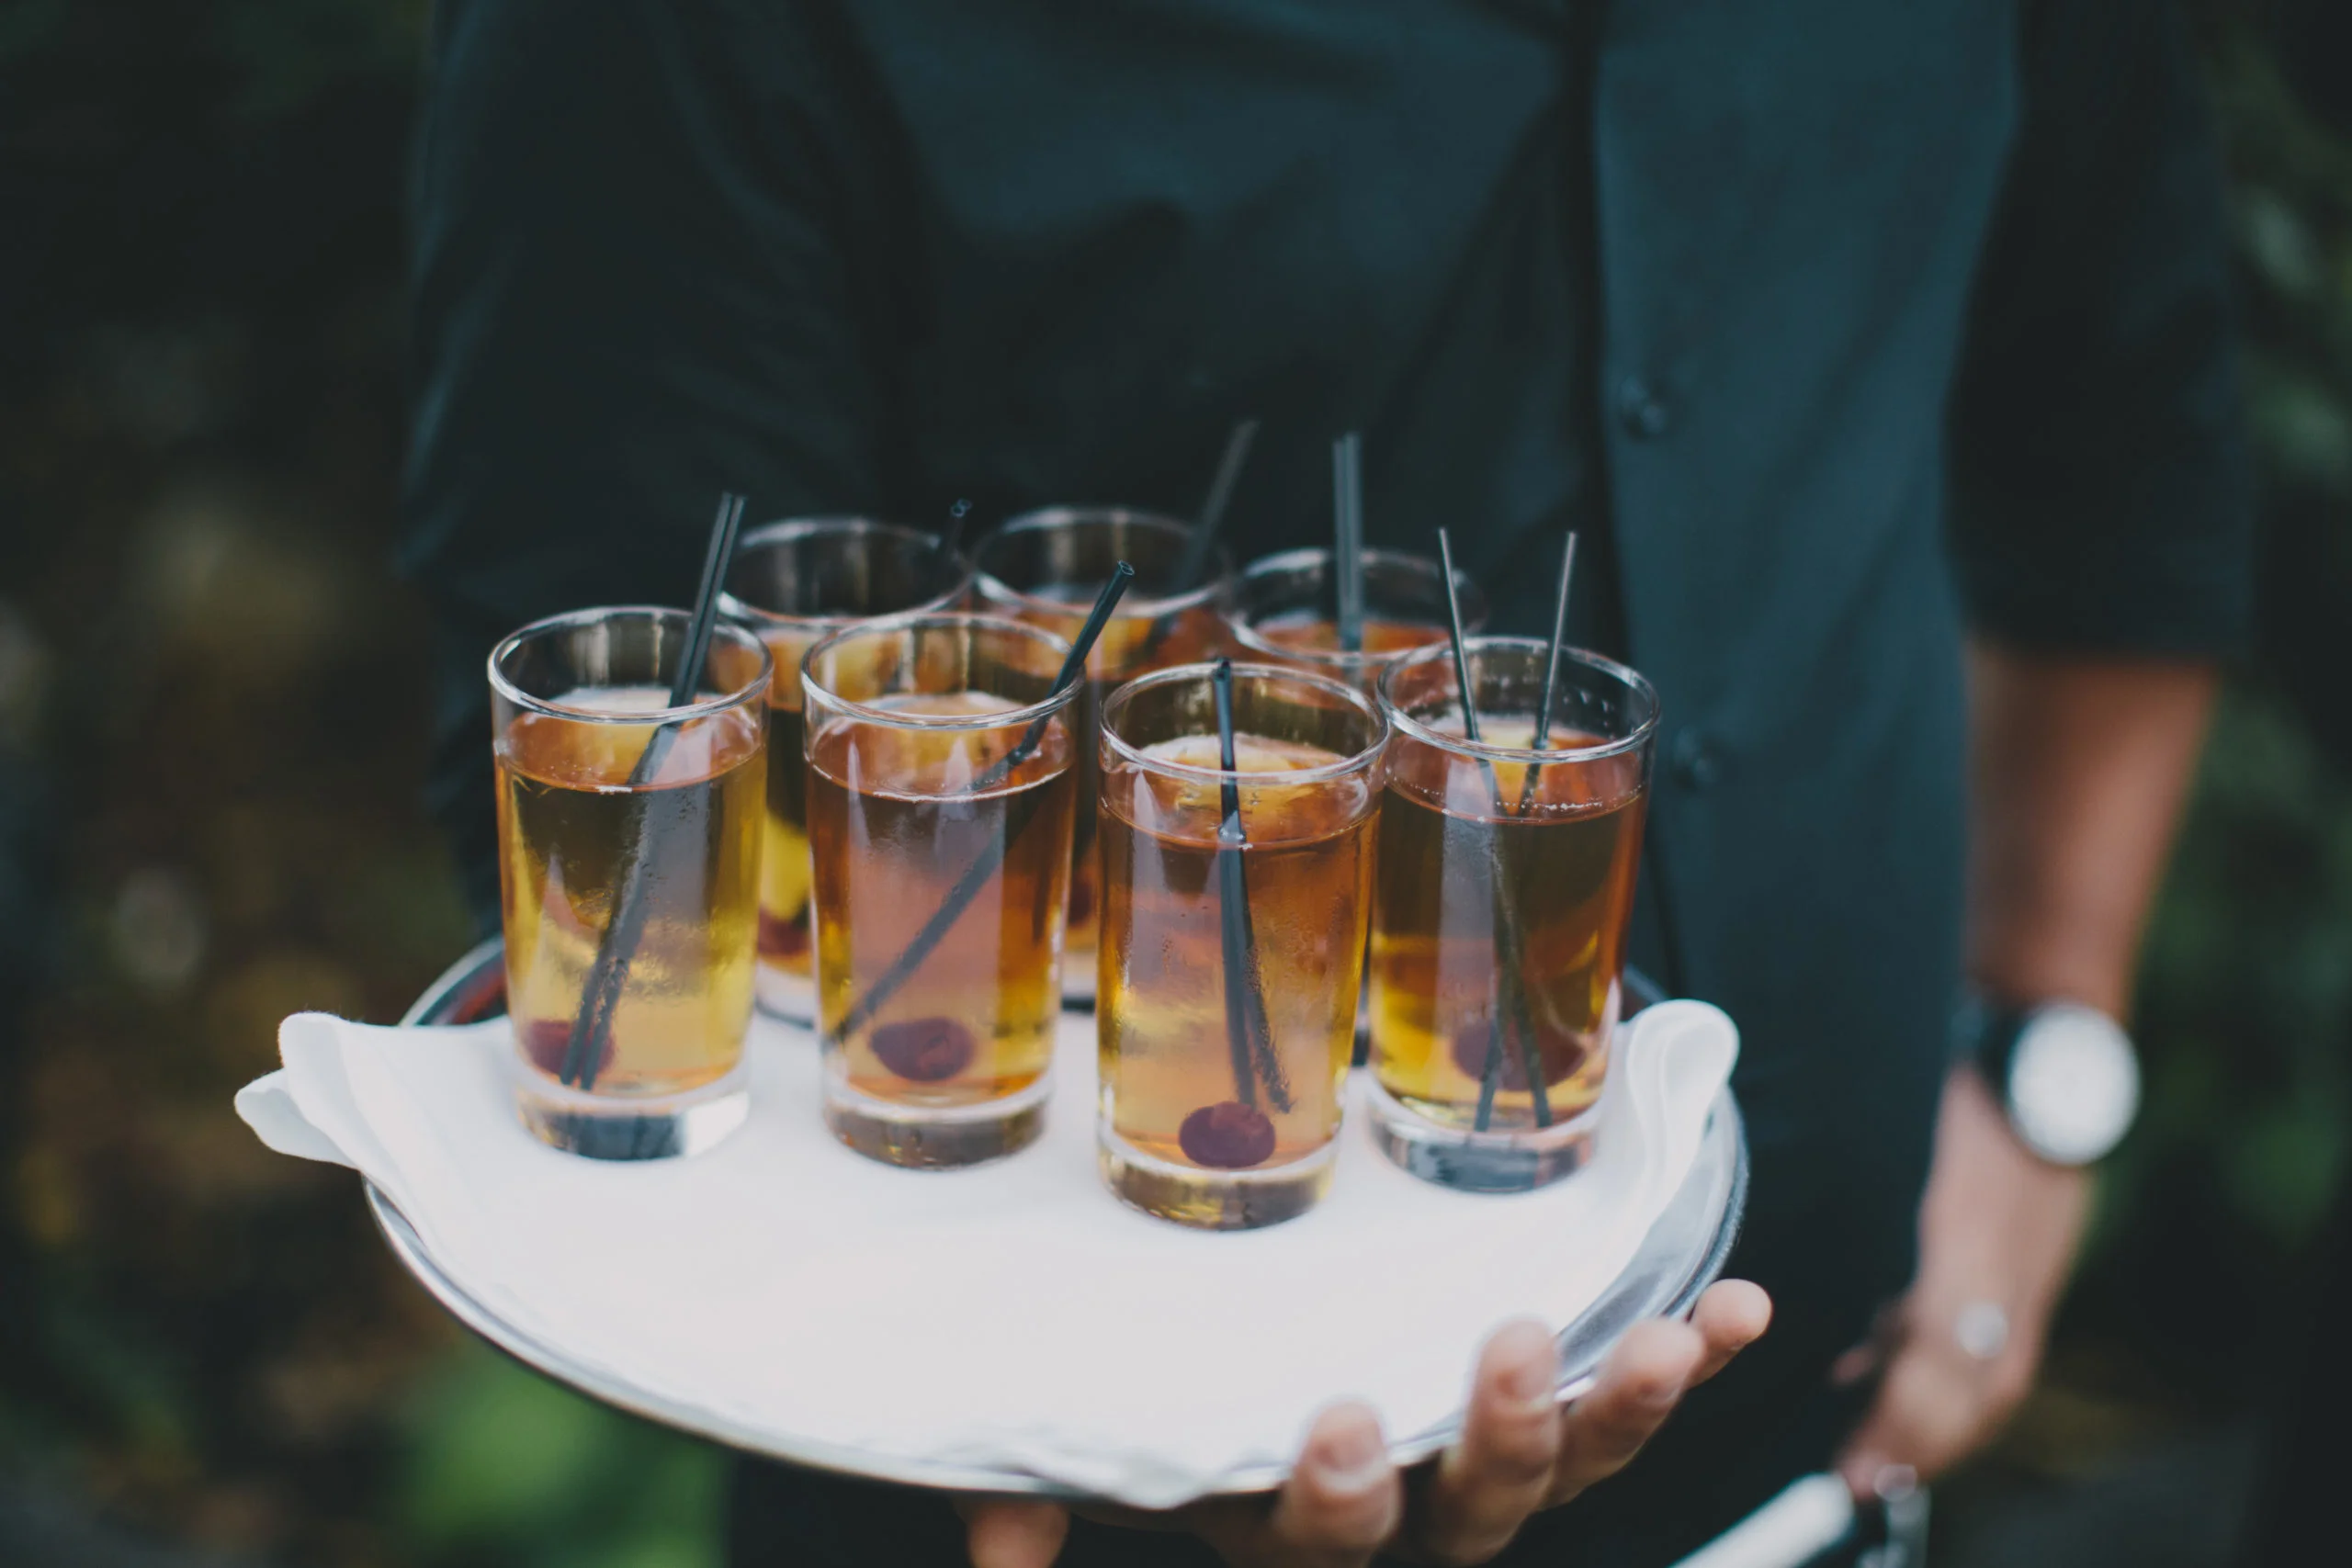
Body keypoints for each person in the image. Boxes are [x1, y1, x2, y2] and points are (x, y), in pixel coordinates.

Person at [401, 2, 2250, 1563]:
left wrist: (2039, 1045)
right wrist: (1064, 1400)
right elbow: (631, 763)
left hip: (1808, 1486)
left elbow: (2120, 416)